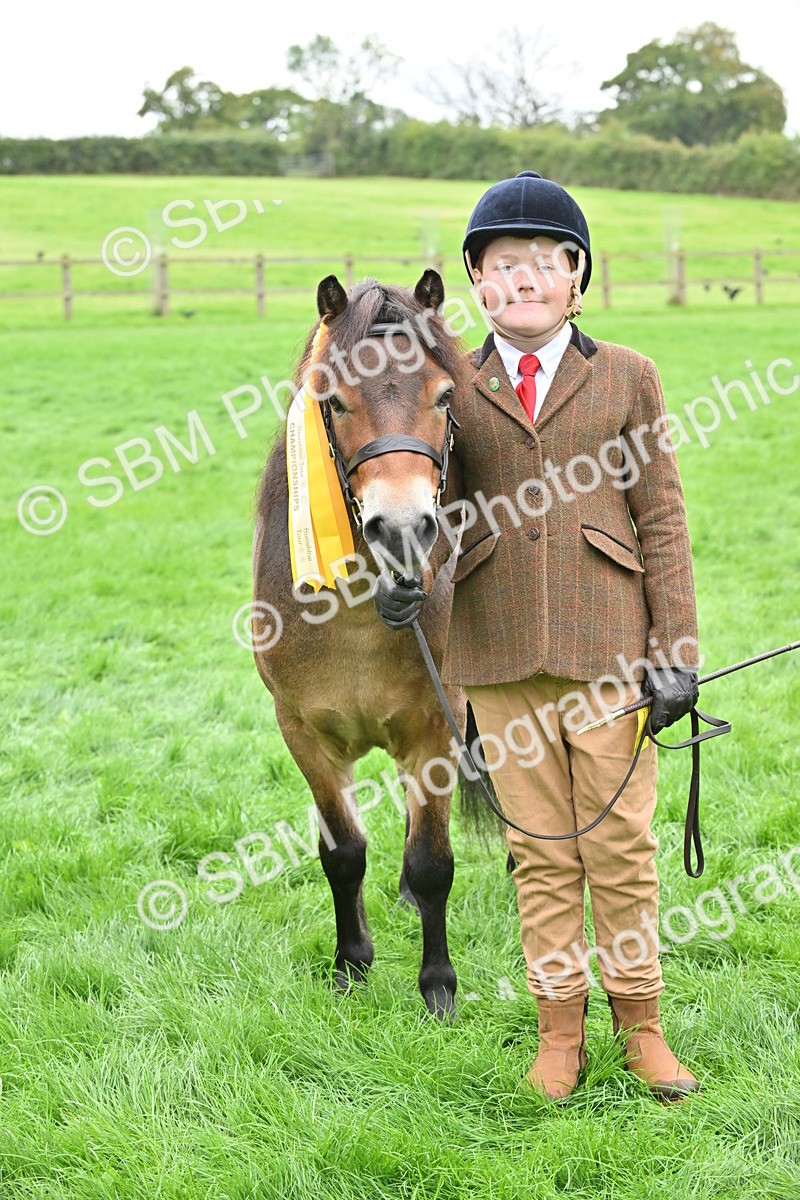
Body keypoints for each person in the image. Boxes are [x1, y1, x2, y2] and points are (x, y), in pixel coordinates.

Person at [373, 171, 702, 1104]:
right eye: (501, 265)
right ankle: (561, 1031)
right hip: (500, 653)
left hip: (611, 653)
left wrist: (676, 650)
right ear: (477, 282)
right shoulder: (450, 386)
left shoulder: (629, 376)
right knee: (542, 853)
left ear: (576, 278)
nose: (522, 280)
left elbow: (663, 522)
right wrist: (410, 578)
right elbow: (428, 502)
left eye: (542, 264)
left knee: (620, 847)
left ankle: (642, 1022)